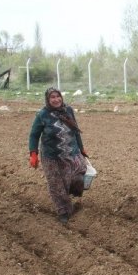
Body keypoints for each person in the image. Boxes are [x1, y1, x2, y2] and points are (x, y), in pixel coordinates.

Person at [28, 87, 88, 225]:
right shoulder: (42, 115)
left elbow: (76, 131)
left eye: (58, 96)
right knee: (57, 186)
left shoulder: (68, 111)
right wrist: (33, 153)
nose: (56, 100)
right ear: (48, 100)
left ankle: (72, 193)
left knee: (78, 176)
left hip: (72, 152)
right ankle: (64, 212)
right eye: (52, 97)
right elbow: (34, 135)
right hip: (52, 157)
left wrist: (81, 148)